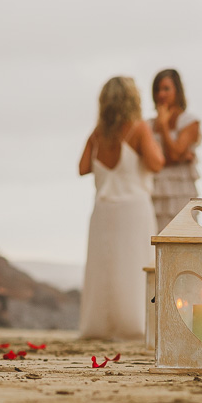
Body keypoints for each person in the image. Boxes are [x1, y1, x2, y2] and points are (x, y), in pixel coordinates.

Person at [78, 76, 164, 339]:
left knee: (105, 268)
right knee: (135, 267)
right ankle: (134, 325)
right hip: (133, 210)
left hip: (104, 211)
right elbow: (157, 163)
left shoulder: (97, 134)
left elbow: (82, 168)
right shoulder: (138, 129)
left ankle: (102, 326)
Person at [149, 69, 201, 230]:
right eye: (157, 89)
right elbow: (149, 160)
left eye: (166, 89)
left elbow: (173, 153)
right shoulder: (148, 125)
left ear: (177, 91)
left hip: (180, 190)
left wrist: (163, 127)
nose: (161, 94)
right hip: (155, 191)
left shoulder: (189, 121)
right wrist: (178, 157)